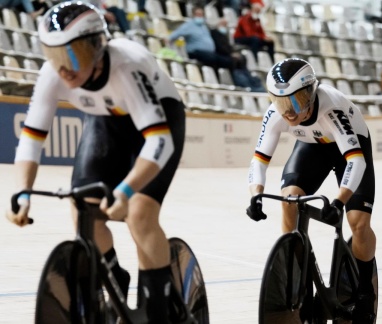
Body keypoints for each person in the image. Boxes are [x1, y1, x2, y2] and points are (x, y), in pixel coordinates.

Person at [5, 2, 185, 323]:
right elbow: (32, 137)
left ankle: (160, 307)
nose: (63, 69)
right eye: (55, 55)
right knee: (82, 207)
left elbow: (160, 141)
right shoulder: (52, 73)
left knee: (140, 214)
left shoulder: (127, 64)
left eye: (73, 55)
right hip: (107, 121)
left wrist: (127, 191)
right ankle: (115, 276)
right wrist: (23, 192)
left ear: (97, 46)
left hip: (159, 120)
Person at [246, 58, 377, 322]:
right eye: (281, 102)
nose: (289, 113)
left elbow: (356, 161)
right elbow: (259, 160)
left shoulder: (331, 108)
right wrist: (255, 195)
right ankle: (300, 278)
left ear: (310, 94)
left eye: (294, 102)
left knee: (357, 222)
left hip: (350, 149)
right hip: (311, 147)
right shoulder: (276, 113)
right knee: (288, 199)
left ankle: (364, 291)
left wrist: (339, 202)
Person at [167, 6, 235, 71]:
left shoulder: (204, 26)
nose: (200, 16)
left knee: (228, 60)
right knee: (216, 59)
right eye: (197, 14)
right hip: (196, 53)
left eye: (201, 14)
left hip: (209, 53)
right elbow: (177, 33)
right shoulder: (189, 25)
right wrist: (168, 39)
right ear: (193, 15)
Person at [209, 18, 265, 91]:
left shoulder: (225, 36)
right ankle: (249, 88)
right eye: (223, 24)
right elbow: (220, 48)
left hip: (235, 61)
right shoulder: (214, 34)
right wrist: (231, 54)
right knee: (237, 67)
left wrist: (234, 53)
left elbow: (229, 47)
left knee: (243, 59)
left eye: (226, 25)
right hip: (226, 60)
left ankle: (256, 87)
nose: (224, 27)